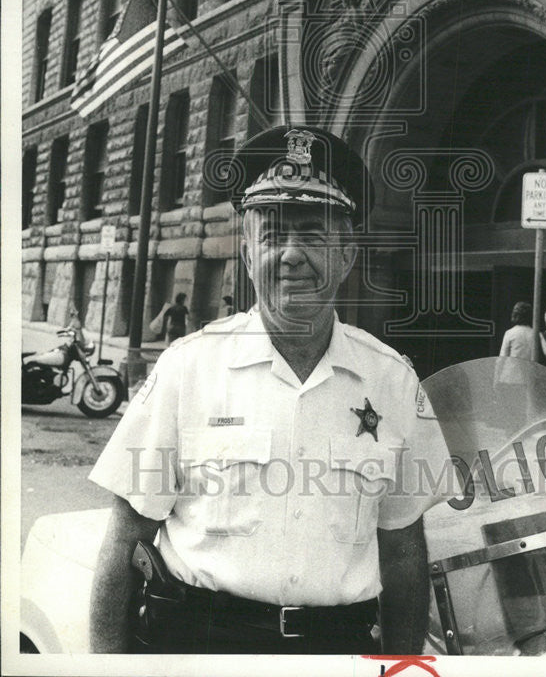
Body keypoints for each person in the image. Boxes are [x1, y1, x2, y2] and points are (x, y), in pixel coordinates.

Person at [88, 126, 452, 655]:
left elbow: (402, 553)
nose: (291, 255)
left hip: (339, 651)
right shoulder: (189, 368)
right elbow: (126, 538)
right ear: (247, 252)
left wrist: (402, 668)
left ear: (348, 254)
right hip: (198, 648)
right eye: (273, 235)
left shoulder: (392, 382)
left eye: (312, 233)